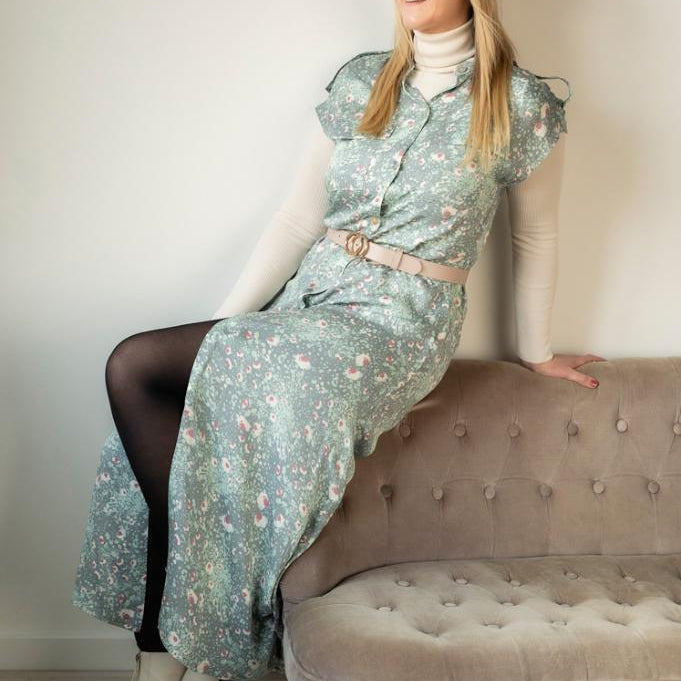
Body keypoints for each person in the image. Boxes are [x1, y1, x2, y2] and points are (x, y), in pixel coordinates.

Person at [71, 1, 606, 680]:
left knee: (226, 387)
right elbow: (297, 221)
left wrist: (537, 352)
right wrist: (222, 333)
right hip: (313, 295)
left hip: (401, 321)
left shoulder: (521, 104)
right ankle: (167, 638)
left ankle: (167, 644)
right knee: (137, 366)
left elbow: (535, 236)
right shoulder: (362, 81)